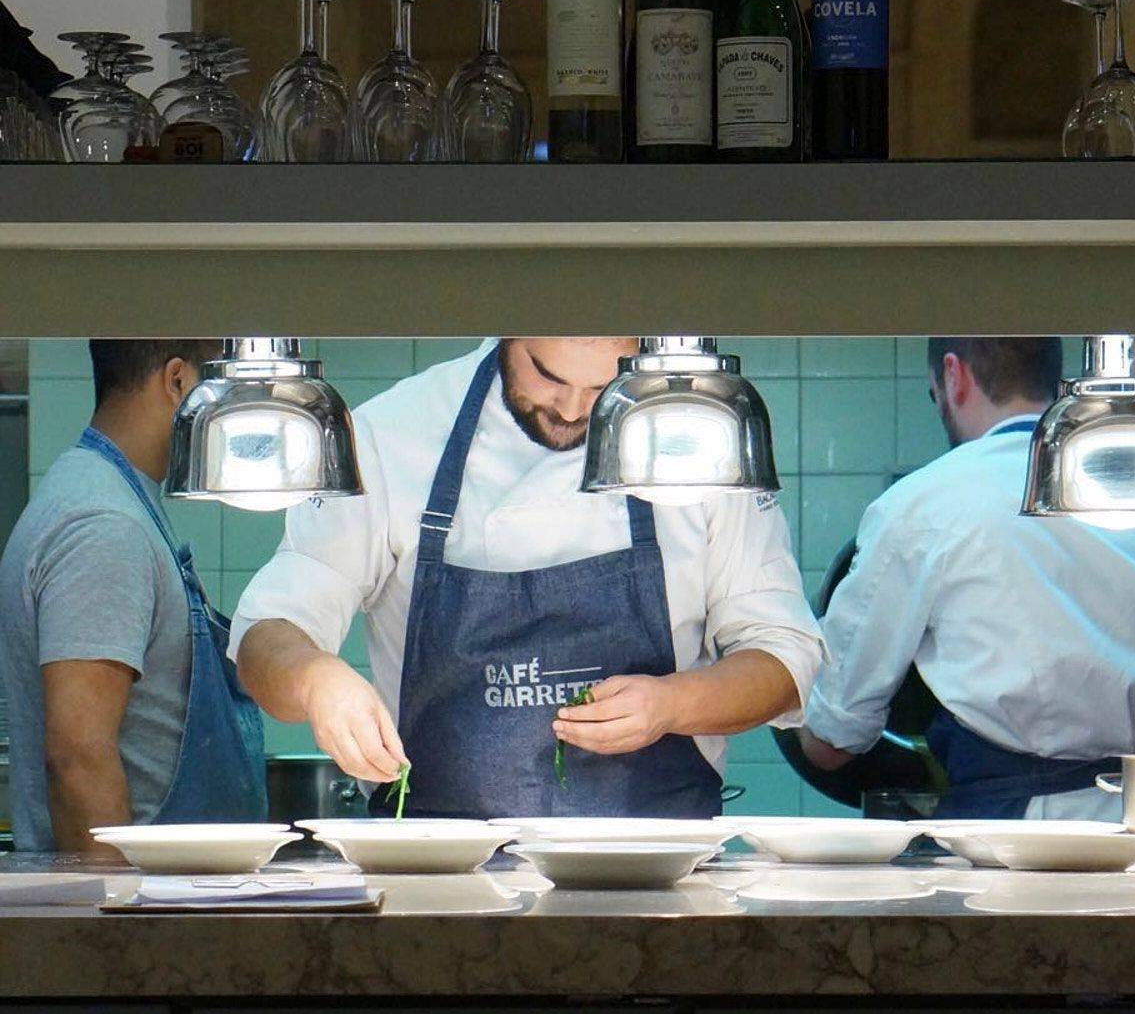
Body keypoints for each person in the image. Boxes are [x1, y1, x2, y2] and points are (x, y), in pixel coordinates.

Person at [233, 337, 821, 818]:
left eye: (602, 388)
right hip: (440, 886)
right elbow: (268, 634)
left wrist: (671, 704)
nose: (571, 409)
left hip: (657, 878)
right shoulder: (393, 435)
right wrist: (317, 681)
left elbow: (784, 661)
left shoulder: (700, 438)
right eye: (547, 376)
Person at [797, 336, 1135, 820]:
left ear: (953, 375)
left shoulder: (922, 505)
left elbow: (832, 741)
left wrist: (782, 694)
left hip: (1021, 836)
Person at [0, 340, 267, 855]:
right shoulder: (104, 526)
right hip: (138, 906)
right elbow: (79, 756)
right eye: (222, 385)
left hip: (163, 900)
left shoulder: (116, 501)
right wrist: (119, 921)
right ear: (177, 381)